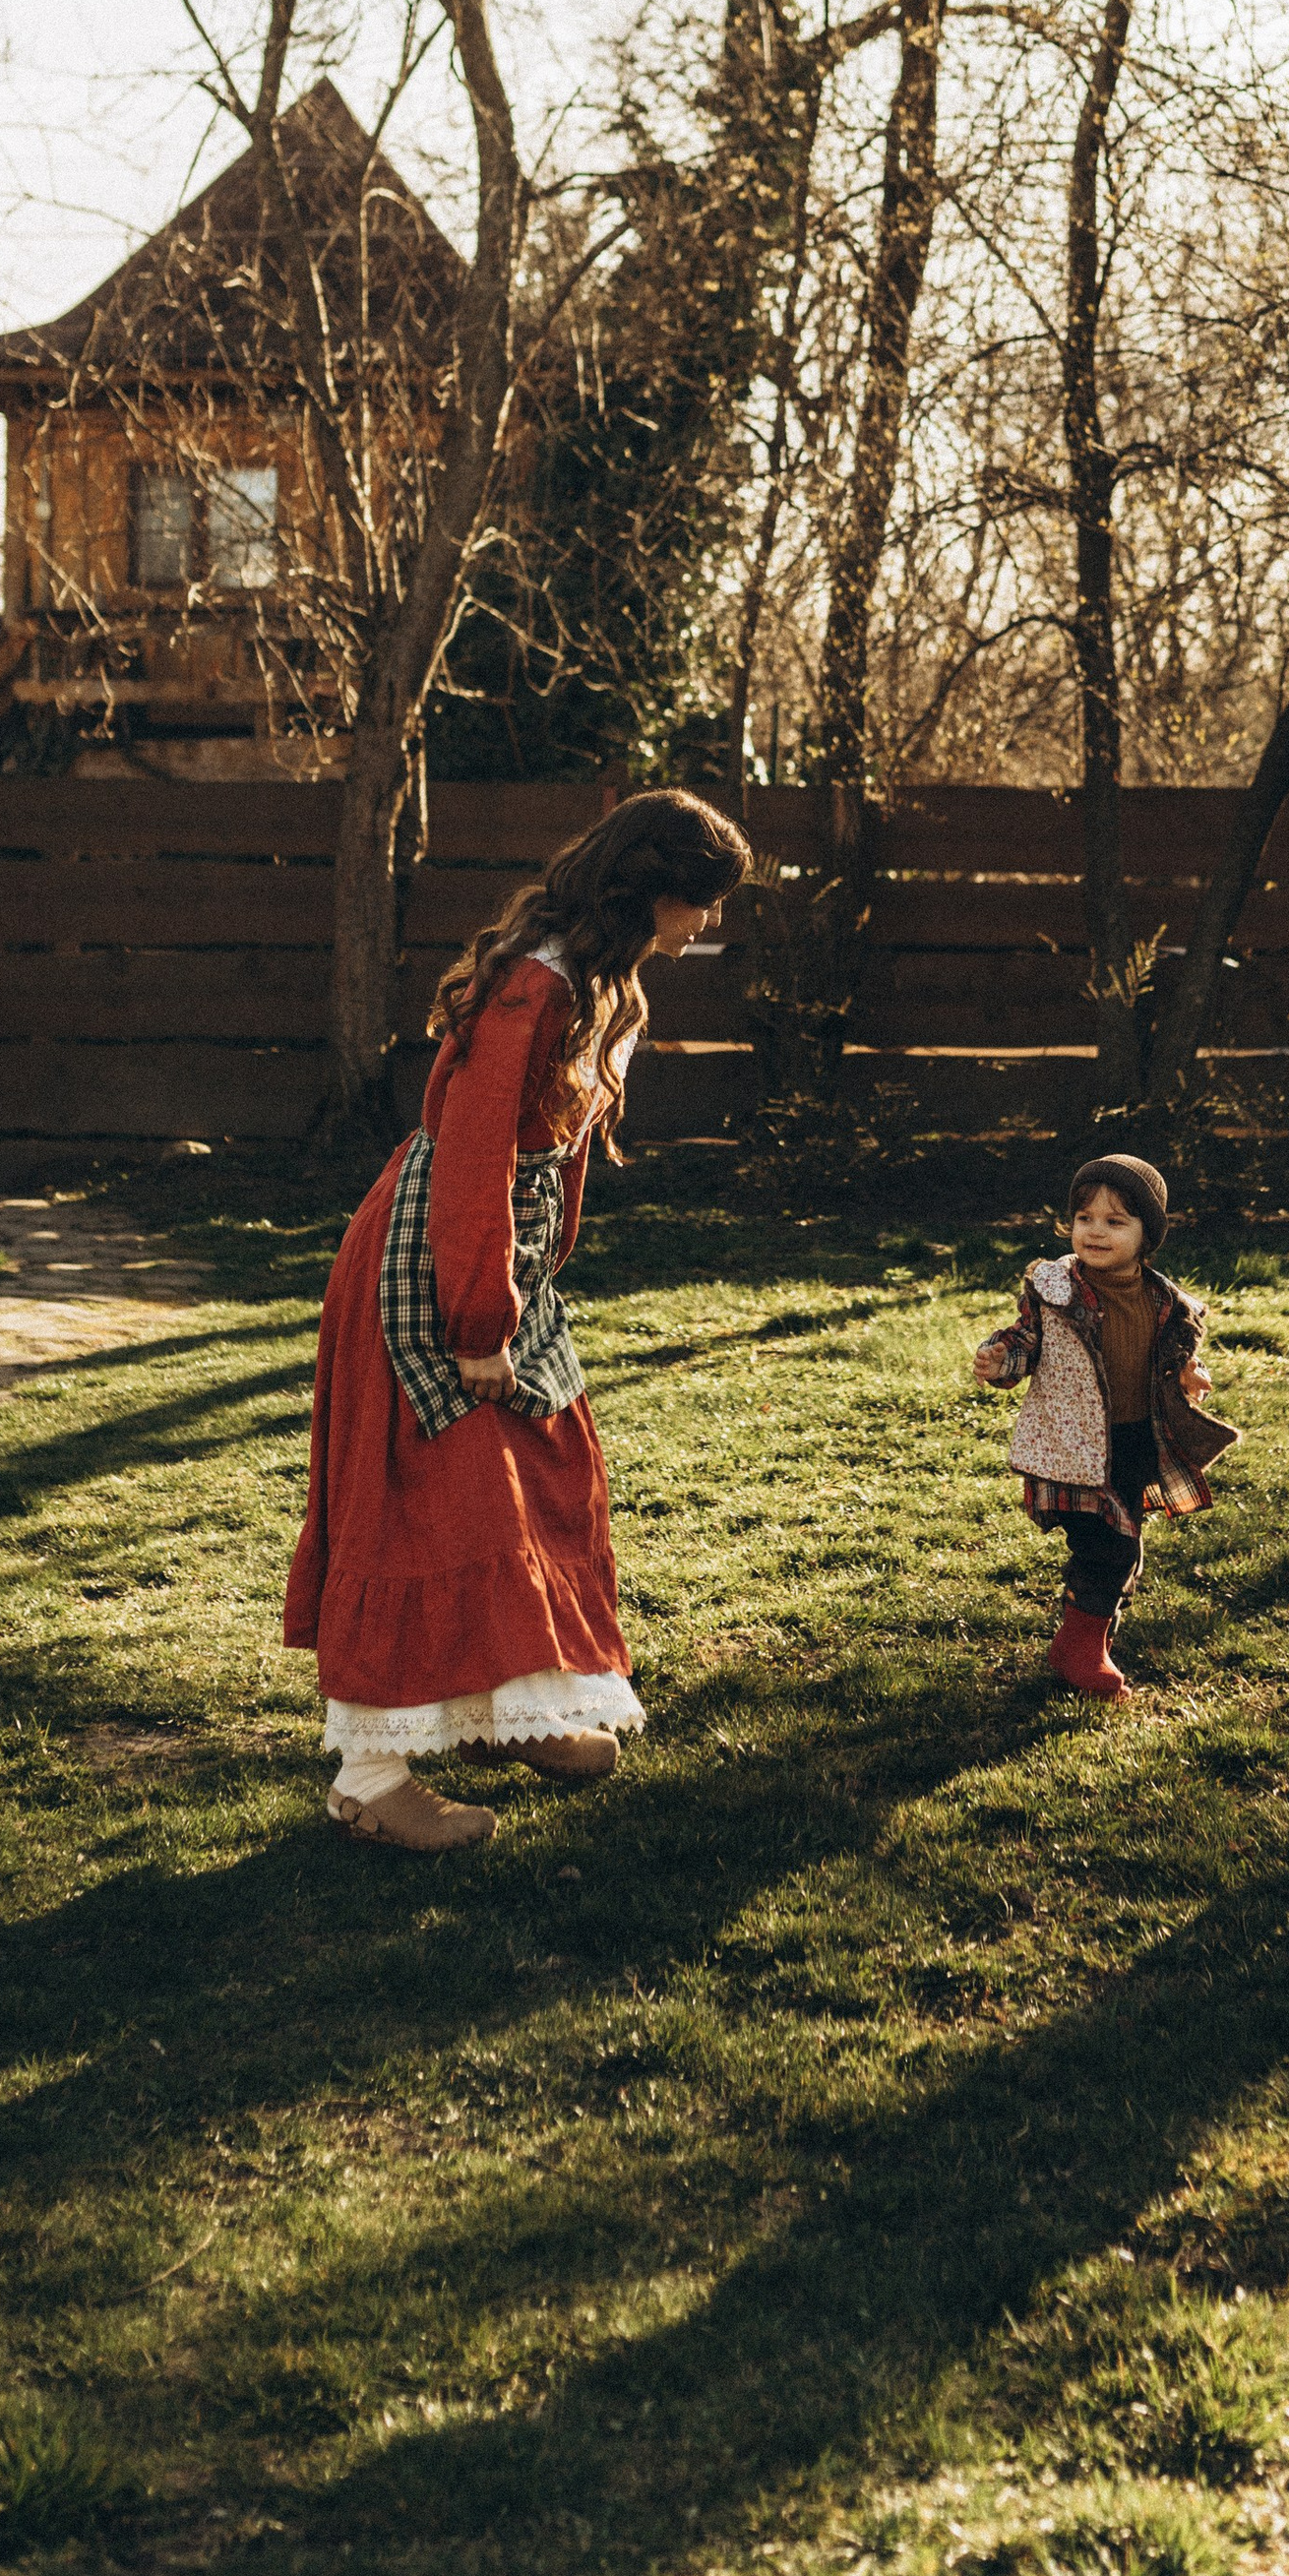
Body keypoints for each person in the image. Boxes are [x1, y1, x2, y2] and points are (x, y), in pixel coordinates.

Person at [285, 786, 751, 1852]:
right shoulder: (534, 988)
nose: (707, 924)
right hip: (441, 1268)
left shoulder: (601, 986)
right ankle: (368, 1777)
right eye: (703, 902)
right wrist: (478, 1323)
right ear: (653, 891)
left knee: (542, 1484)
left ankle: (508, 1717)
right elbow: (475, 1157)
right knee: (427, 1502)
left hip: (504, 1269)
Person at [972, 1152, 1239, 1700]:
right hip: (1073, 1447)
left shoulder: (1164, 1299)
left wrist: (1187, 1374)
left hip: (1137, 1439)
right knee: (1108, 1545)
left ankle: (1090, 1634)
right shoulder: (1055, 1293)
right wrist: (1002, 1361)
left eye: (1115, 1222)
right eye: (1084, 1219)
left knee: (1126, 1545)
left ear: (1147, 1236)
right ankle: (1080, 1647)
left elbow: (1167, 1353)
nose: (1095, 1232)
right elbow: (1025, 1342)